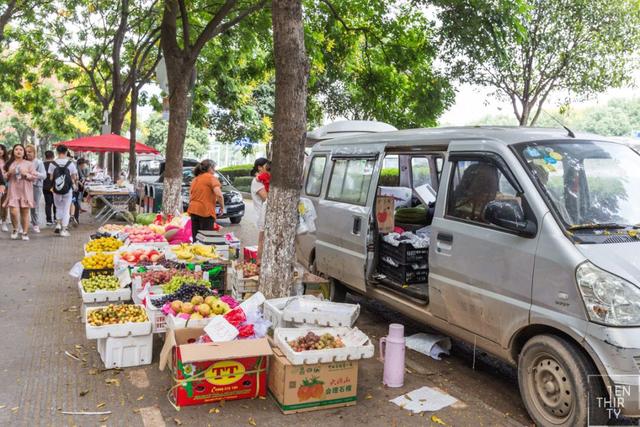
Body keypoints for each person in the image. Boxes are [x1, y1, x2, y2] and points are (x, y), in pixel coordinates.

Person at [2, 144, 37, 240]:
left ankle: (25, 233)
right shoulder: (9, 163)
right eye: (16, 149)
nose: (18, 151)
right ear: (13, 151)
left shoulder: (29, 164)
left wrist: (25, 174)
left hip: (25, 190)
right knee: (13, 212)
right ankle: (15, 229)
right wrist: (9, 172)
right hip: (13, 190)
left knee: (25, 212)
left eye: (21, 149)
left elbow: (34, 178)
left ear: (24, 152)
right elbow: (4, 177)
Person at [187, 159, 224, 242]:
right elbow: (219, 195)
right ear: (210, 168)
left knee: (196, 238)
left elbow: (191, 195)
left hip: (193, 210)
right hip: (205, 211)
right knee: (206, 239)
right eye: (214, 168)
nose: (214, 170)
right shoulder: (211, 178)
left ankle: (195, 253)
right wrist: (222, 207)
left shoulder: (195, 180)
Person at [48, 144, 78, 237]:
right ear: (66, 152)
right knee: (66, 209)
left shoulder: (52, 163)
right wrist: (73, 183)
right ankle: (64, 230)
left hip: (56, 189)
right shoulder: (71, 163)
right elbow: (74, 177)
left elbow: (51, 177)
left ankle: (58, 224)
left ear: (57, 152)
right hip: (68, 189)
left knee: (58, 207)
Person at [250, 158, 270, 264]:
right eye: (266, 166)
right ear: (260, 167)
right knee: (262, 240)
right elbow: (266, 198)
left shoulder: (261, 180)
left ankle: (261, 263)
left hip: (265, 215)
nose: (268, 169)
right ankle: (259, 262)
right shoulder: (257, 181)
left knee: (264, 240)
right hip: (262, 215)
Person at [25, 144, 46, 233]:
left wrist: (34, 173)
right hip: (24, 186)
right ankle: (24, 223)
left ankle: (35, 224)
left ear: (34, 152)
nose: (28, 153)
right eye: (26, 152)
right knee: (24, 205)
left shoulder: (39, 162)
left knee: (34, 206)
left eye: (30, 152)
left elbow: (44, 176)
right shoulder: (23, 161)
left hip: (36, 187)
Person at [71, 158, 89, 225]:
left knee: (75, 203)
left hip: (76, 189)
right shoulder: (75, 168)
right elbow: (75, 178)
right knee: (75, 203)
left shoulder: (77, 168)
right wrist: (79, 182)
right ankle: (75, 219)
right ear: (80, 164)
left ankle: (76, 218)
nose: (84, 167)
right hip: (74, 189)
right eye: (83, 165)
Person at [42, 150, 56, 226]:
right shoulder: (55, 164)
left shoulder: (42, 164)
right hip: (54, 186)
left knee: (48, 204)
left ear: (45, 156)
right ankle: (56, 218)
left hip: (45, 186)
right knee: (55, 203)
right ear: (53, 156)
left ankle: (49, 220)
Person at [0, 144, 8, 232]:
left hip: (6, 184)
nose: (0, 151)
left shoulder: (7, 161)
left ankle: (4, 222)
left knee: (4, 204)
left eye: (1, 149)